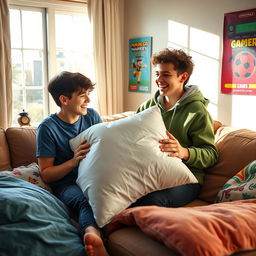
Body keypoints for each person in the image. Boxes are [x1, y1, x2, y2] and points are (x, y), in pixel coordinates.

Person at [133, 48, 218, 207]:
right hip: (151, 172)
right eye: (157, 74)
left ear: (183, 77)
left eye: (166, 74)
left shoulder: (197, 111)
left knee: (151, 201)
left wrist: (183, 152)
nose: (159, 79)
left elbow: (211, 154)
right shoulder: (148, 106)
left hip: (186, 178)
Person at [36, 71, 109, 256]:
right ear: (64, 100)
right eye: (82, 95)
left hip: (94, 176)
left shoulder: (91, 116)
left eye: (88, 95)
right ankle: (93, 236)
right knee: (88, 200)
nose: (88, 101)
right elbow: (46, 174)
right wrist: (73, 161)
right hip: (67, 184)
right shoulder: (47, 128)